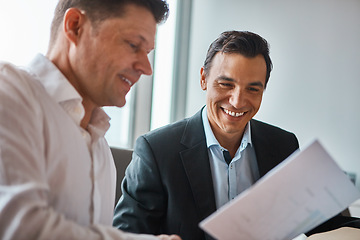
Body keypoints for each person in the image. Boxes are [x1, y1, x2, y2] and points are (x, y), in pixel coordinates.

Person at [113, 30, 360, 240]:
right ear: (203, 79)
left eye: (253, 88)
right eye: (226, 84)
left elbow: (320, 223)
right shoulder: (156, 151)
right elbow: (126, 234)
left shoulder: (283, 145)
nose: (238, 100)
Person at [0, 0, 181, 240]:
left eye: (147, 53)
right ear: (75, 27)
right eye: (133, 45)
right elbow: (21, 229)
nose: (146, 68)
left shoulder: (99, 144)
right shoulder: (10, 92)